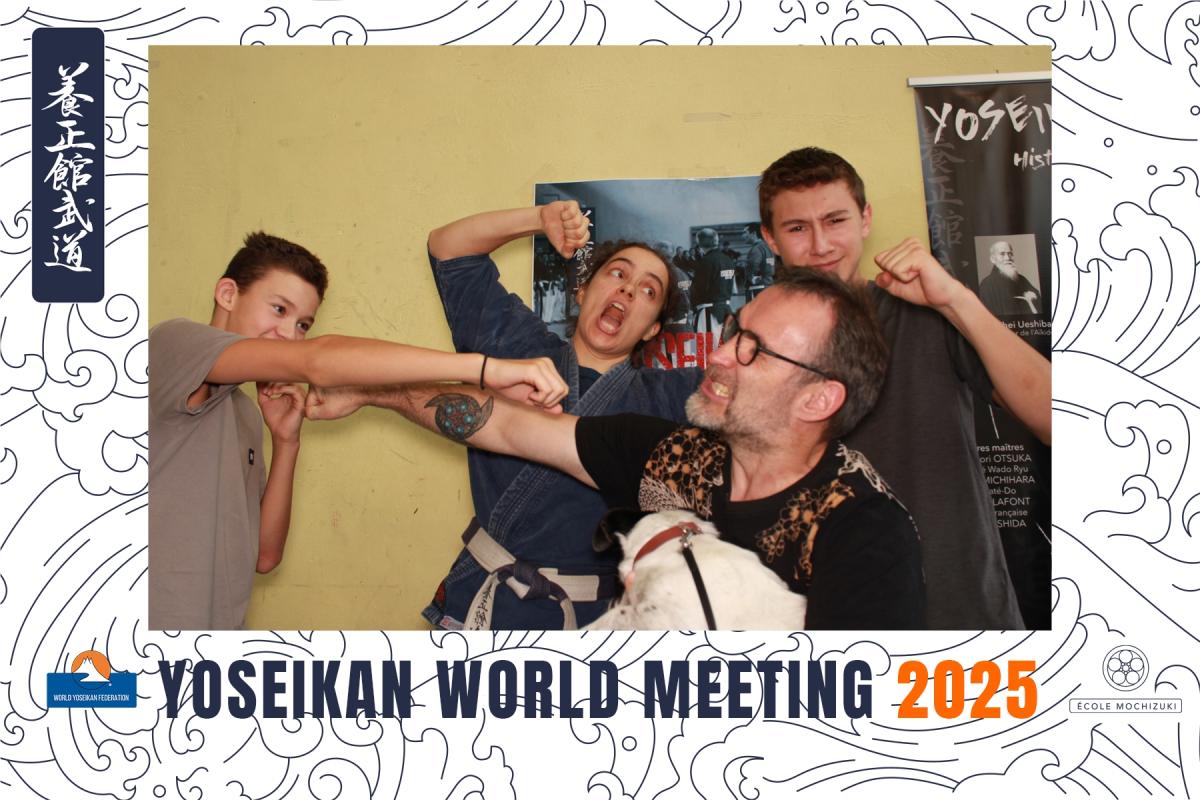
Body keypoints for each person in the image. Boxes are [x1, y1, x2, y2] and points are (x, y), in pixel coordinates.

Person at [308, 268, 925, 630]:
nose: (718, 355)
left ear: (818, 399)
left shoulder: (864, 534)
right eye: (733, 332)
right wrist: (371, 391)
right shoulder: (677, 459)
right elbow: (504, 427)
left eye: (753, 350)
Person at [149, 231, 567, 630]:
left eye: (303, 325)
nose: (289, 335)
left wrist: (286, 441)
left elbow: (264, 556)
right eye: (279, 310)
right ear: (227, 294)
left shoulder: (242, 413)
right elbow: (317, 361)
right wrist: (485, 369)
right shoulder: (172, 344)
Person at [756, 147, 1051, 629]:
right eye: (797, 228)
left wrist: (955, 300)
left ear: (866, 219)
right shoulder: (752, 341)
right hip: (832, 621)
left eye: (835, 220)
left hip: (962, 615)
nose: (821, 244)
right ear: (770, 238)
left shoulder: (925, 313)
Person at [371, 203, 702, 630]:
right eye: (617, 273)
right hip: (486, 600)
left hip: (594, 618)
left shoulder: (670, 397)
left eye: (648, 291)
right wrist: (538, 220)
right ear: (582, 291)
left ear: (653, 329)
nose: (627, 290)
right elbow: (447, 247)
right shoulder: (518, 348)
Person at [689, 227, 737, 334]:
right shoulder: (728, 259)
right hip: (726, 310)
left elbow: (699, 289)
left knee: (707, 343)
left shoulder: (705, 262)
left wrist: (693, 306)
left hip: (709, 313)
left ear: (700, 243)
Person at [979, 240, 1042, 316]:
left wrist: (1032, 299)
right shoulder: (987, 284)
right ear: (993, 259)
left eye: (1010, 254)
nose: (1008, 258)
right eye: (1002, 254)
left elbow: (1038, 301)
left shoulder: (1022, 279)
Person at [742, 223, 775, 299]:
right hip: (769, 286)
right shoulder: (769, 247)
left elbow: (753, 266)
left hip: (757, 289)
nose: (742, 236)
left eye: (745, 232)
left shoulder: (756, 249)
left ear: (753, 233)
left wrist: (750, 278)